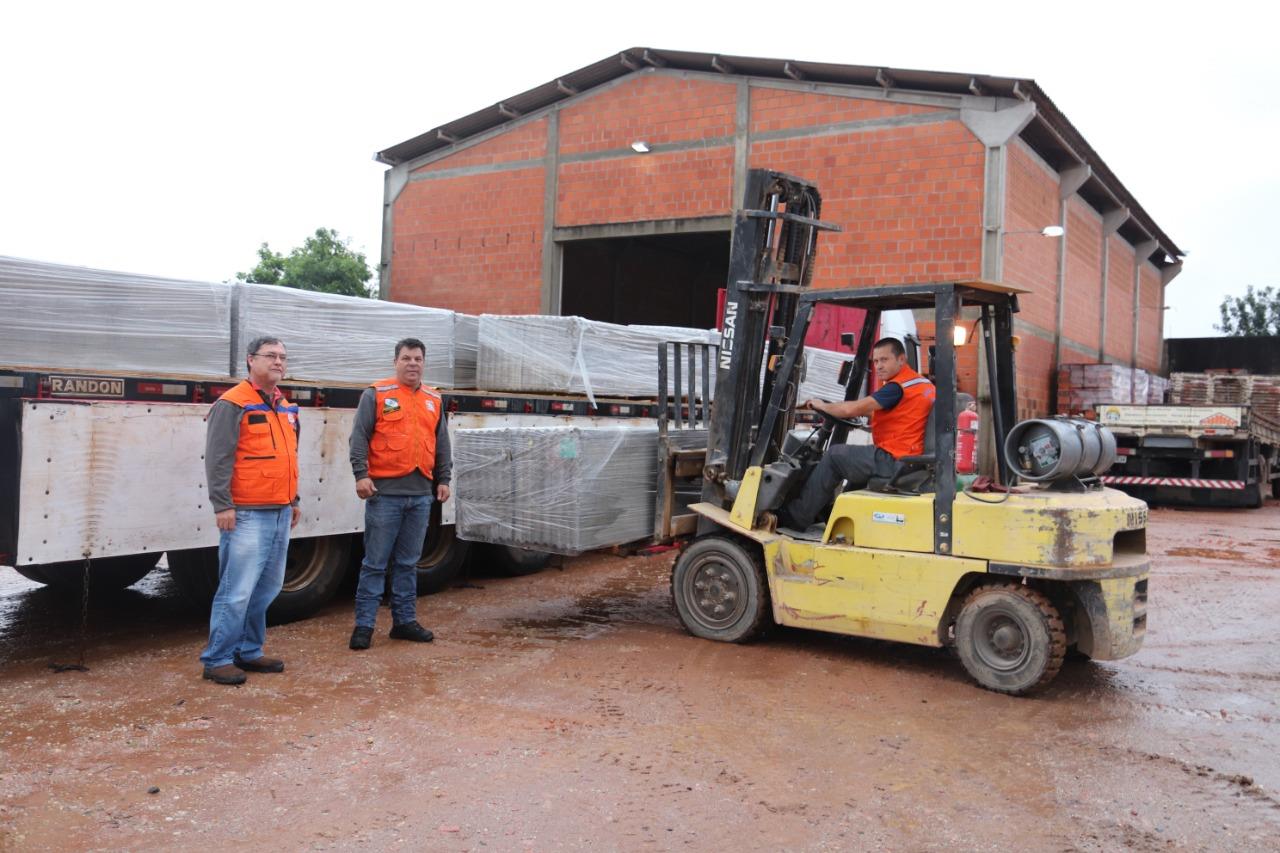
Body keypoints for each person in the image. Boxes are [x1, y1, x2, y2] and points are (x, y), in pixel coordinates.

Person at [200, 336, 301, 685]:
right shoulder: (232, 404)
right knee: (237, 589)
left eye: (283, 357)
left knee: (267, 587)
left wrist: (294, 500)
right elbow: (217, 458)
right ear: (250, 360)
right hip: (245, 513)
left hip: (279, 511)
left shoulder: (284, 406)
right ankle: (217, 658)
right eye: (270, 356)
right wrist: (222, 504)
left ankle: (248, 650)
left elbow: (289, 458)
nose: (278, 362)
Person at [348, 337, 452, 650]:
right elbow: (359, 437)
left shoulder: (434, 399)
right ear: (396, 361)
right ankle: (364, 626)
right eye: (406, 358)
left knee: (408, 563)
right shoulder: (377, 394)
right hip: (385, 495)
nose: (412, 364)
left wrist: (444, 479)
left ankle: (404, 622)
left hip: (421, 495)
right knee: (375, 563)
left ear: (424, 362)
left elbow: (442, 442)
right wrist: (360, 474)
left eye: (418, 359)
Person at [781, 337, 936, 530]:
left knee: (835, 456)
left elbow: (849, 410)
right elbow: (901, 416)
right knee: (854, 461)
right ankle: (837, 513)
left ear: (901, 359)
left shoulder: (896, 387)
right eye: (876, 361)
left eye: (884, 360)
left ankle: (797, 517)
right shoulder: (921, 384)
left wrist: (822, 405)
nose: (879, 366)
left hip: (895, 460)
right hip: (910, 459)